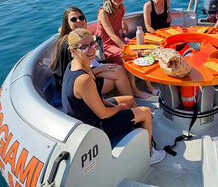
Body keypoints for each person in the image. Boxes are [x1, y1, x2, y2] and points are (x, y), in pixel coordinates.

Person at [62, 29, 166, 165]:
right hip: (95, 127)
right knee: (146, 112)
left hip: (91, 113)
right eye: (84, 47)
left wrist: (115, 106)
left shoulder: (76, 65)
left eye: (92, 44)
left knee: (129, 99)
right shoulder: (83, 79)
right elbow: (103, 114)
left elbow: (94, 99)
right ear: (72, 50)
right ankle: (149, 154)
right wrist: (118, 109)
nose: (91, 50)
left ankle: (137, 131)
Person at [51, 7, 136, 106]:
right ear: (67, 23)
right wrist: (100, 69)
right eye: (73, 19)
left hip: (88, 71)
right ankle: (131, 105)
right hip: (75, 84)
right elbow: (76, 75)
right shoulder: (70, 44)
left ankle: (125, 103)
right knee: (118, 76)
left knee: (119, 70)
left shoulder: (77, 36)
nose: (79, 21)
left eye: (81, 17)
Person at [95, 0, 158, 98]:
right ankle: (134, 89)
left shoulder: (121, 8)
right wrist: (125, 49)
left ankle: (148, 84)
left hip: (118, 40)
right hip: (106, 45)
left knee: (143, 49)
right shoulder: (103, 12)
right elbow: (111, 35)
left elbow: (118, 25)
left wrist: (123, 24)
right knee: (129, 55)